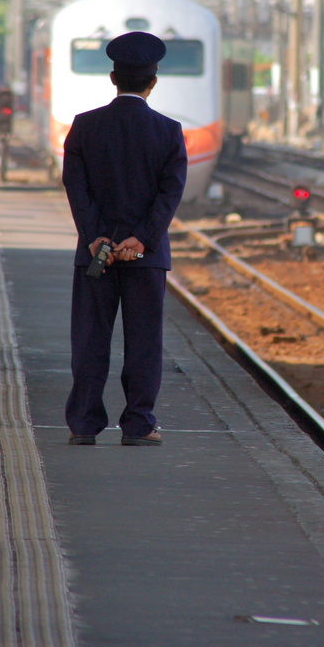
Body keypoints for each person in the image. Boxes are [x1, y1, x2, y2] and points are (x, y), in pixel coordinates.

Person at [62, 30, 187, 446]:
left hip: (95, 256)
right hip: (145, 259)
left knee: (90, 340)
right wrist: (142, 239)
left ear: (113, 79)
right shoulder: (169, 132)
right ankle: (138, 424)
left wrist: (96, 238)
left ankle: (83, 424)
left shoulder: (84, 127)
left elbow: (76, 189)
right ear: (153, 82)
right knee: (144, 344)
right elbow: (170, 193)